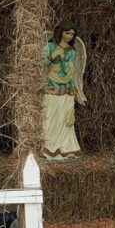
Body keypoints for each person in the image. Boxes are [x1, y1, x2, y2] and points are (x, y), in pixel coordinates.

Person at [43, 20, 87, 161]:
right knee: (51, 116)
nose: (69, 36)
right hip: (52, 86)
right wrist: (53, 56)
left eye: (72, 34)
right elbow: (40, 64)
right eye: (67, 33)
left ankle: (66, 149)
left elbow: (70, 71)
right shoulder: (50, 46)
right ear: (61, 32)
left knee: (66, 119)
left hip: (67, 88)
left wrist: (62, 59)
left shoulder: (72, 51)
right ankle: (49, 149)